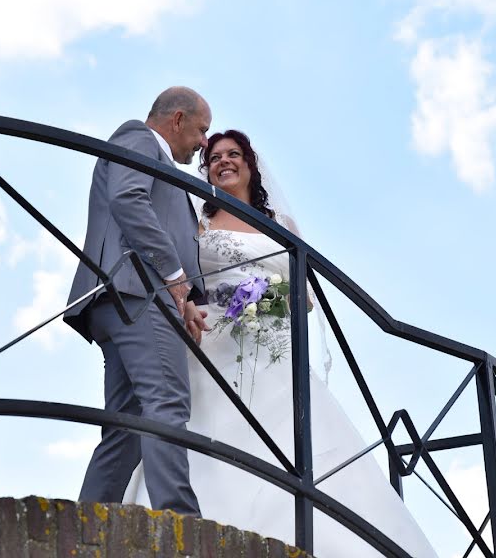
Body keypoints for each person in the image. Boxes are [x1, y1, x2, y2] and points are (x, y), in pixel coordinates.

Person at [123, 130, 438, 557]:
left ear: (252, 166)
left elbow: (303, 297)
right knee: (199, 424)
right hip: (214, 340)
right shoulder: (198, 223)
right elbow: (189, 280)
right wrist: (226, 304)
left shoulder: (282, 227)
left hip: (271, 344)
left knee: (293, 437)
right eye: (214, 157)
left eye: (234, 154)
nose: (224, 161)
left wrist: (253, 302)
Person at [64, 86, 211, 516]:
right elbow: (128, 198)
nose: (204, 142)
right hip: (135, 295)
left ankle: (88, 524)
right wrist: (175, 276)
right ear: (178, 119)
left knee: (125, 428)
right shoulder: (138, 138)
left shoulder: (156, 156)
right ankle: (182, 521)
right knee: (166, 400)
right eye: (202, 130)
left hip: (125, 299)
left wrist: (182, 297)